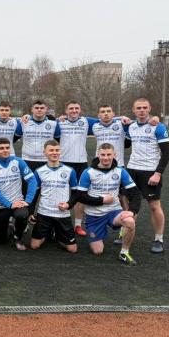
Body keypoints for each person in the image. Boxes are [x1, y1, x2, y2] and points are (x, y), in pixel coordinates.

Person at [76, 143, 141, 265]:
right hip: (94, 215)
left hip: (113, 211)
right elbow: (80, 196)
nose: (106, 158)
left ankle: (124, 252)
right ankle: (98, 231)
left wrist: (132, 211)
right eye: (103, 155)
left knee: (130, 221)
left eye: (109, 154)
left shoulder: (121, 171)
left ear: (114, 155)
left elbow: (135, 193)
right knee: (98, 251)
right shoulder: (88, 172)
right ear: (98, 155)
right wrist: (101, 200)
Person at [126, 98, 169, 253]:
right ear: (133, 110)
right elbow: (126, 143)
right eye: (138, 108)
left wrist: (158, 173)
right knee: (130, 204)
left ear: (150, 108)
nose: (142, 110)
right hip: (132, 170)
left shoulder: (158, 126)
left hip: (150, 171)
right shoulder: (130, 126)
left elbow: (166, 153)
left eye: (145, 107)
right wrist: (122, 119)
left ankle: (158, 239)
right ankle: (126, 233)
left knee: (154, 206)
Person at [0, 137, 38, 250]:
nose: (5, 150)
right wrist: (9, 204)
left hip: (18, 203)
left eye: (7, 148)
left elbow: (32, 180)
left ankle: (17, 238)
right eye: (1, 148)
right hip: (0, 206)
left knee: (22, 215)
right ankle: (9, 227)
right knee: (0, 240)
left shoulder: (18, 162)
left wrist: (28, 200)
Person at [57, 100, 98, 237]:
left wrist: (123, 118)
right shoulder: (60, 122)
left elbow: (106, 119)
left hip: (81, 163)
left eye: (76, 108)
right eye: (71, 108)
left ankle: (78, 225)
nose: (74, 111)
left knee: (80, 195)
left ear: (80, 110)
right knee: (60, 193)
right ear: (66, 111)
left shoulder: (86, 121)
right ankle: (58, 223)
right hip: (63, 162)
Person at [29, 140, 79, 253]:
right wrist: (31, 212)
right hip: (44, 213)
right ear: (45, 152)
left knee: (72, 249)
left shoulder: (70, 171)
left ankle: (58, 234)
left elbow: (76, 193)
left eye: (57, 150)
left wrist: (68, 204)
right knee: (34, 245)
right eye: (51, 150)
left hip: (62, 214)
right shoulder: (39, 171)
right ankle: (49, 232)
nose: (54, 153)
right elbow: (35, 194)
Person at [15, 100, 61, 172]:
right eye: (36, 108)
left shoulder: (53, 124)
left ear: (46, 109)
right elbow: (13, 139)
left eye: (42, 108)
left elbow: (61, 141)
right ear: (32, 109)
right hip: (27, 160)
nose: (39, 110)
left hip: (46, 160)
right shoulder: (23, 122)